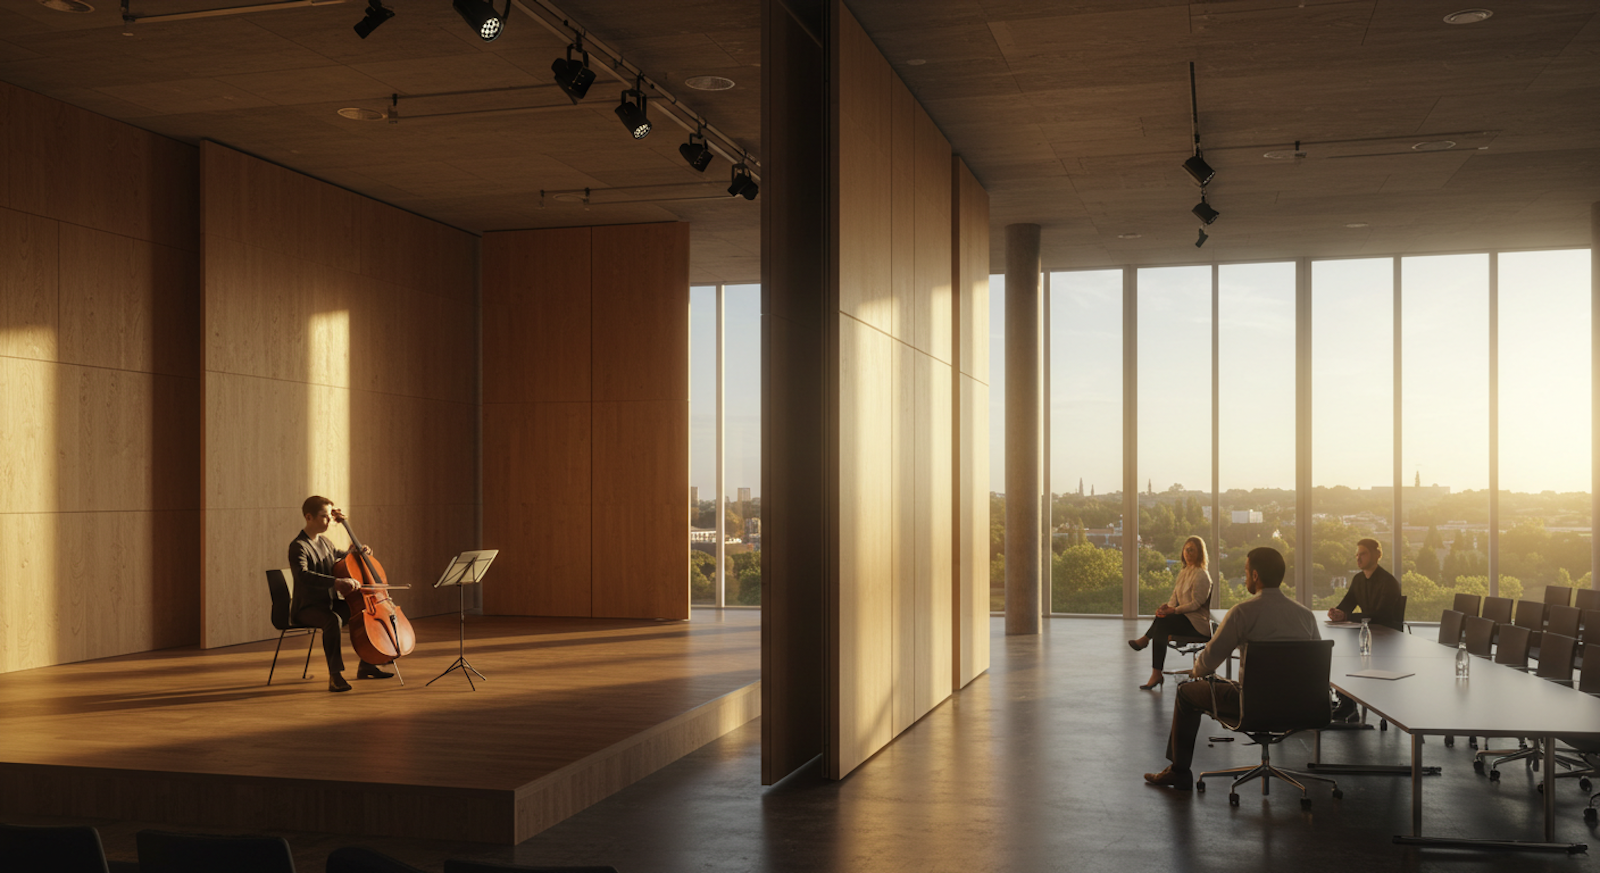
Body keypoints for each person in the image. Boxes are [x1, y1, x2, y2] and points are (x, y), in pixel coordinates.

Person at [1144, 546, 1321, 790]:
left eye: (1247, 572)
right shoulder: (1306, 616)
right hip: (1301, 707)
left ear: (1256, 576)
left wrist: (1196, 673)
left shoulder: (1242, 613)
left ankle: (1179, 771)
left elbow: (1207, 661)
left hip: (1252, 706)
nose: (1246, 576)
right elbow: (1313, 666)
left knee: (1186, 692)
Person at [289, 495, 393, 692]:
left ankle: (367, 664)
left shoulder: (325, 542)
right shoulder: (298, 546)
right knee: (332, 620)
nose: (329, 521)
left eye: (329, 516)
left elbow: (340, 556)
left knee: (361, 613)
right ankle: (335, 676)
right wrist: (336, 582)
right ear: (308, 517)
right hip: (307, 607)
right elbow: (303, 576)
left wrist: (357, 552)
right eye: (324, 516)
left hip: (328, 602)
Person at [1127, 536, 1212, 690]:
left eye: (1192, 550)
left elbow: (1196, 604)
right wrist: (1166, 608)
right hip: (1183, 619)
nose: (1187, 552)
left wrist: (1174, 610)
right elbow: (1175, 598)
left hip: (1196, 624)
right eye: (1186, 549)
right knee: (1162, 619)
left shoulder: (1201, 575)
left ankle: (1147, 645)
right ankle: (1155, 671)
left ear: (1200, 552)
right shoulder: (1184, 572)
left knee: (1164, 623)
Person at [1328, 538, 1403, 631]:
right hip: (1368, 632)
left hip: (1388, 634)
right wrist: (1336, 613)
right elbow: (1346, 604)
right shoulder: (1358, 579)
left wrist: (1346, 616)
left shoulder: (1389, 582)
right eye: (1357, 555)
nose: (1358, 559)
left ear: (1377, 555)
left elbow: (1381, 616)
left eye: (1363, 554)